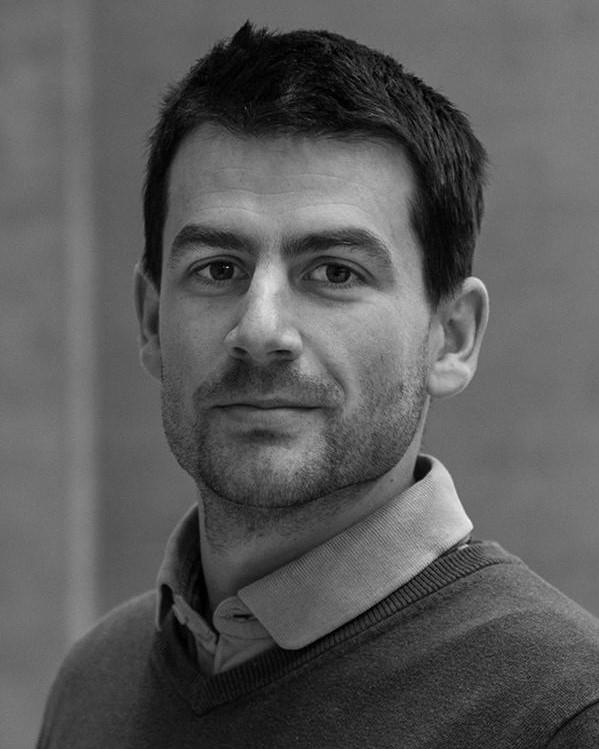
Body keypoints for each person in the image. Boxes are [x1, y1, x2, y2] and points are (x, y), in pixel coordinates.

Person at [38, 21, 599, 748]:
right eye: (217, 268)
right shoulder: (96, 682)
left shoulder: (561, 712)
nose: (260, 329)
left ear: (452, 336)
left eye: (335, 271)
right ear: (151, 320)